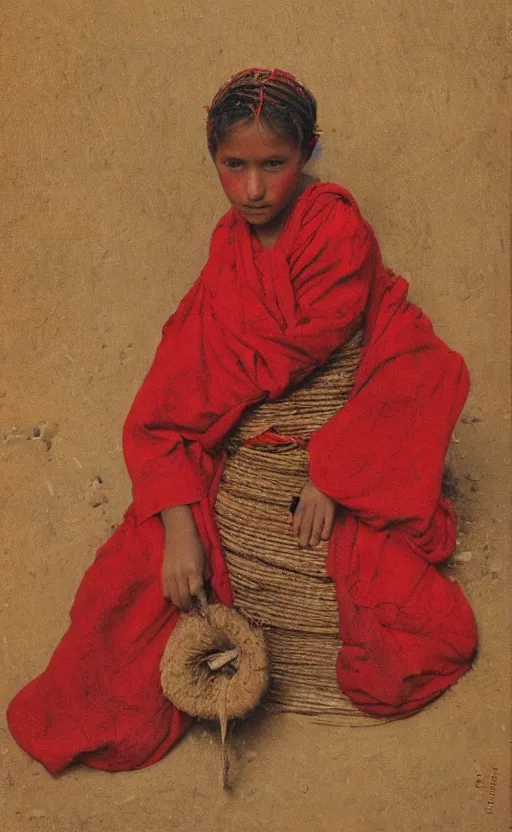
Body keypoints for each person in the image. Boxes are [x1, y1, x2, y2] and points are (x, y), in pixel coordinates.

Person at [6, 68, 478, 774]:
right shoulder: (228, 247)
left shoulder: (336, 231)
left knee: (402, 619)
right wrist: (175, 525)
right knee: (124, 609)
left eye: (274, 165)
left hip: (337, 434)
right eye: (234, 166)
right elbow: (173, 398)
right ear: (213, 157)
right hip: (246, 464)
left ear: (309, 152)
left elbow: (359, 361)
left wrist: (334, 470)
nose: (253, 189)